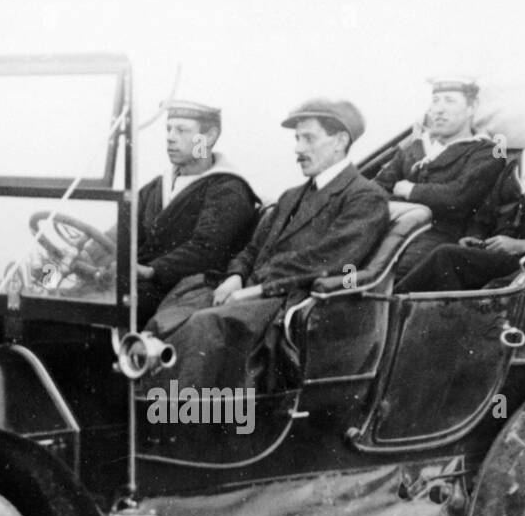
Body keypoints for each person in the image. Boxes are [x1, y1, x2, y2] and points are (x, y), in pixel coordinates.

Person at [146, 98, 389, 391]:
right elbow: (252, 249)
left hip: (290, 299)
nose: (298, 148)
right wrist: (235, 276)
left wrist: (258, 288)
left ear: (339, 141)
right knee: (176, 307)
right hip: (251, 290)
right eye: (297, 138)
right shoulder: (291, 195)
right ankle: (147, 400)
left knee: (203, 327)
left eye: (308, 138)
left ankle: (178, 418)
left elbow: (333, 261)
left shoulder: (364, 197)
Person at [396, 92, 525, 291]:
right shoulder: (518, 163)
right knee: (446, 258)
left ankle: (388, 307)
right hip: (495, 256)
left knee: (446, 257)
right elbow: (486, 211)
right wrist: (474, 236)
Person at [136, 100, 261, 315]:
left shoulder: (228, 189)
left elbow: (206, 250)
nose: (170, 137)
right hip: (142, 287)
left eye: (182, 130)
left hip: (186, 295)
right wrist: (87, 254)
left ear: (208, 137)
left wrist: (151, 271)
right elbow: (121, 230)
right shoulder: (156, 187)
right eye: (168, 129)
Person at [369, 77, 502, 276]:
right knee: (343, 269)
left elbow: (458, 196)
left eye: (449, 101)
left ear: (471, 108)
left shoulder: (486, 152)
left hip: (437, 236)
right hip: (389, 229)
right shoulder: (416, 148)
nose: (439, 109)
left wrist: (410, 190)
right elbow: (378, 186)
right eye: (436, 101)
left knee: (392, 275)